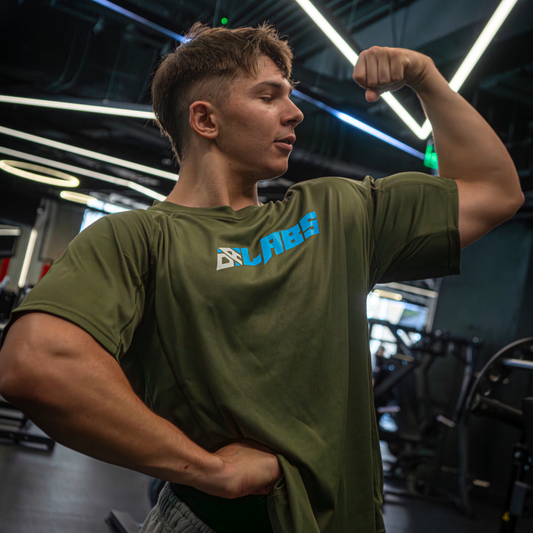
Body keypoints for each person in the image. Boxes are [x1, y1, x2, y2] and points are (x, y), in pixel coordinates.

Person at [0, 22, 523, 533]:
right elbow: (37, 362)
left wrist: (426, 78)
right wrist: (210, 471)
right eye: (269, 96)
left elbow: (494, 191)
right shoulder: (138, 238)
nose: (295, 112)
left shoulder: (336, 212)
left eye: (289, 96)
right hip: (215, 520)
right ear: (205, 120)